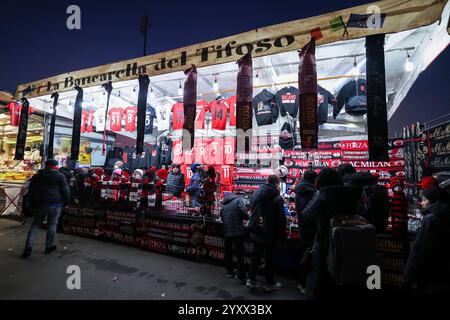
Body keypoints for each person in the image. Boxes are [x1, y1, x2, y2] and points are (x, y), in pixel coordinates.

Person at [301, 168, 360, 299]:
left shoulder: (323, 194)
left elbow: (306, 214)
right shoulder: (350, 192)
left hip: (325, 241)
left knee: (319, 277)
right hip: (347, 240)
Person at [404, 176, 450, 297]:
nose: (421, 202)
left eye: (424, 200)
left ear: (434, 201)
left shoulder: (431, 219)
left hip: (432, 276)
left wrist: (408, 277)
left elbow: (419, 251)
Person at [22, 159, 70, 258]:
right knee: (52, 224)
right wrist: (67, 203)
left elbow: (31, 191)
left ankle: (28, 247)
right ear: (56, 166)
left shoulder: (37, 176)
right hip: (56, 204)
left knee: (35, 224)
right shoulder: (60, 176)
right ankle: (49, 247)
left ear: (46, 165)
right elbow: (66, 191)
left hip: (41, 203)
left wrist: (29, 203)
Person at [247, 175, 286, 292]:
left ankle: (251, 279)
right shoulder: (277, 198)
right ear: (276, 184)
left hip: (256, 228)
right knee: (269, 258)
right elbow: (280, 220)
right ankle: (269, 283)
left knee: (256, 255)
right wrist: (281, 238)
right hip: (269, 232)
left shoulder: (256, 193)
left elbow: (251, 208)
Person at [294, 169, 318, 294]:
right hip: (310, 230)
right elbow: (308, 214)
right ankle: (303, 283)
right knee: (307, 258)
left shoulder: (301, 190)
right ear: (314, 180)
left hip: (304, 229)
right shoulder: (310, 193)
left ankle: (303, 282)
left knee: (304, 256)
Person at [220, 191, 249, 283]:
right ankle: (242, 275)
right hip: (237, 230)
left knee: (228, 251)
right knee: (240, 253)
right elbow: (244, 213)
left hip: (227, 230)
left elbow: (222, 216)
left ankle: (230, 271)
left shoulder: (223, 204)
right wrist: (246, 218)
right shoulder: (238, 200)